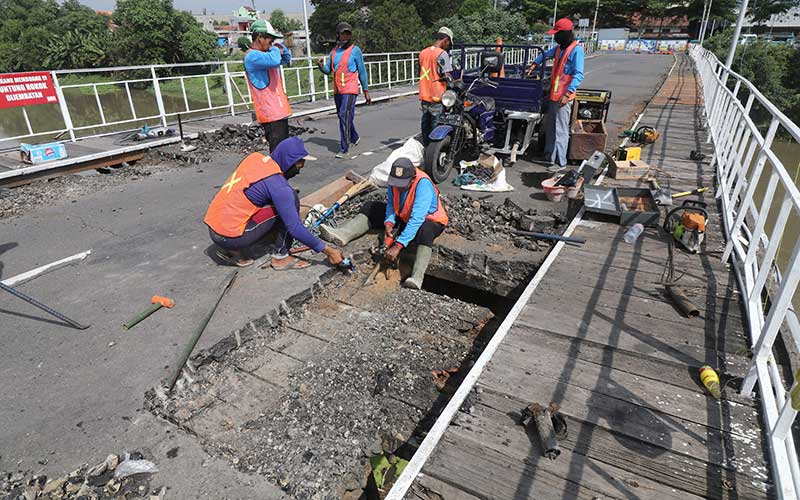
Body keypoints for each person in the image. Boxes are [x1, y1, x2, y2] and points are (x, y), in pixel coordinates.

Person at [204, 137, 344, 270]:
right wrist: (328, 251)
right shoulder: (280, 188)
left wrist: (278, 193)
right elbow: (295, 228)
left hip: (214, 229)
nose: (301, 167)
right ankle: (281, 257)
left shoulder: (254, 158)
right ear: (289, 161)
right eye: (299, 162)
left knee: (281, 200)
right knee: (290, 202)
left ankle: (233, 250)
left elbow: (253, 189)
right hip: (230, 238)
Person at [319, 158, 448, 289]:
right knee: (370, 207)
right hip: (404, 216)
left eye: (402, 184)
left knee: (425, 231)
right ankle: (343, 234)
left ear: (413, 177)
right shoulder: (395, 182)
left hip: (430, 221)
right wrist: (389, 222)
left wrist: (398, 246)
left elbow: (417, 219)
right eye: (396, 183)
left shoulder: (423, 184)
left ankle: (417, 277)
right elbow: (391, 205)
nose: (399, 187)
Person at [528, 18, 585, 173]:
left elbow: (578, 75)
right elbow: (545, 54)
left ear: (565, 34)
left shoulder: (576, 50)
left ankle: (560, 162)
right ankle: (549, 157)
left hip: (564, 98)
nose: (555, 37)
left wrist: (567, 94)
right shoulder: (559, 48)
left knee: (560, 130)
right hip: (554, 96)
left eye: (557, 34)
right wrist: (534, 64)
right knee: (551, 128)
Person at [316, 22, 372, 159]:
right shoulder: (334, 51)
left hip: (350, 89)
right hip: (338, 90)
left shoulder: (355, 50)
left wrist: (366, 91)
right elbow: (328, 70)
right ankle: (354, 137)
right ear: (338, 35)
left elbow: (362, 71)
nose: (346, 36)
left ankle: (344, 147)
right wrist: (321, 66)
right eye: (343, 33)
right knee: (345, 117)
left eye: (348, 33)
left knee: (343, 116)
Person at [244, 20, 292, 152]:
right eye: (270, 40)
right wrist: (276, 48)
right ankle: (276, 173)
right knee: (278, 154)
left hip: (279, 112)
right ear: (259, 37)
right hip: (270, 115)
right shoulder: (252, 57)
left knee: (284, 153)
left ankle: (282, 172)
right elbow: (276, 59)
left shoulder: (267, 55)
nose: (272, 44)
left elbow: (286, 59)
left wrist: (282, 48)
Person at [418, 27, 454, 146]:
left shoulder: (423, 53)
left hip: (424, 95)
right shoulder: (442, 54)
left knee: (425, 123)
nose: (448, 46)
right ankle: (433, 153)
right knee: (436, 127)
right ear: (446, 40)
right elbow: (447, 76)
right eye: (449, 43)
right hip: (437, 97)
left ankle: (425, 147)